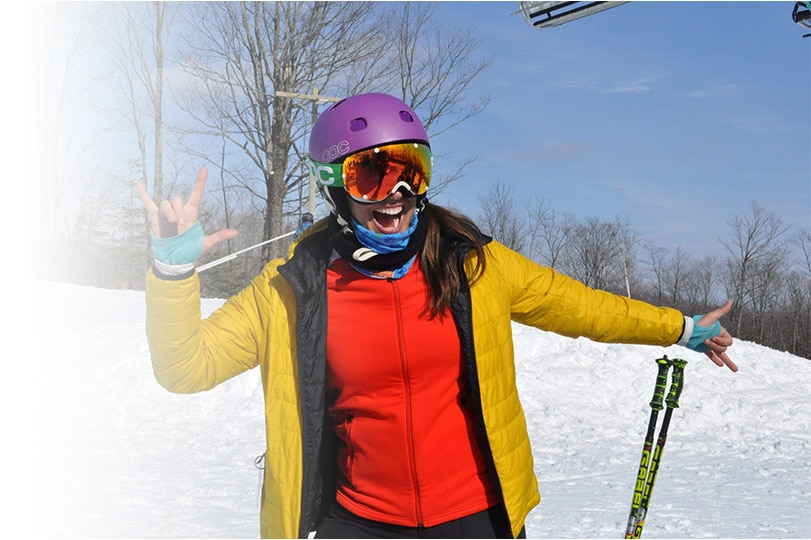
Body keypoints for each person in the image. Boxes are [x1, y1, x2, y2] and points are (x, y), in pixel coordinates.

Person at [137, 93, 736, 539]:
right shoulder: (292, 288)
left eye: (409, 169)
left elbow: (580, 307)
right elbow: (186, 368)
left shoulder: (473, 265)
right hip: (361, 523)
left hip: (478, 519)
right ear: (334, 187)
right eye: (369, 173)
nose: (394, 192)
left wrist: (680, 328)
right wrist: (171, 274)